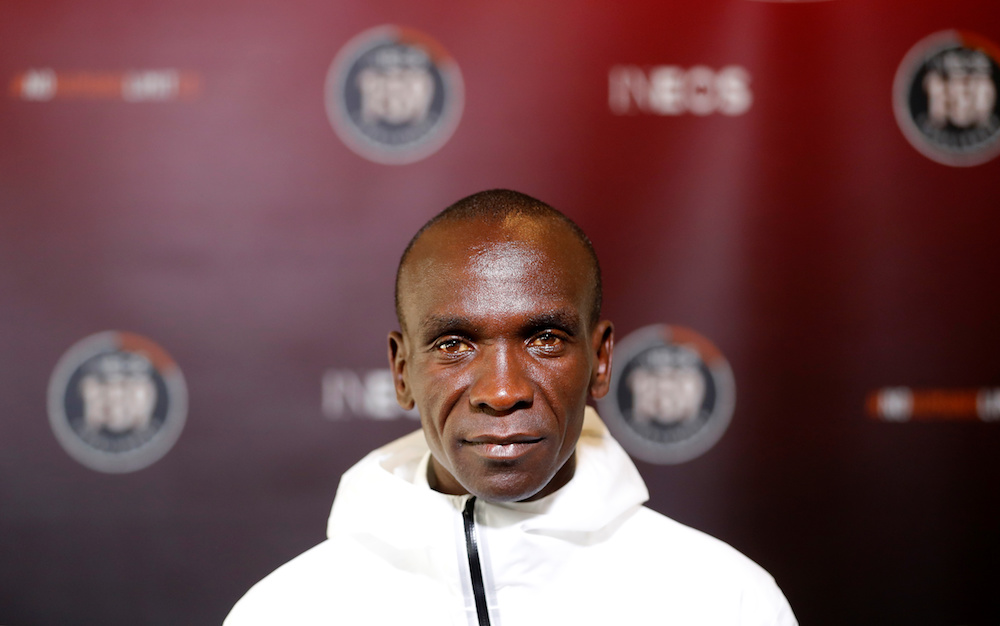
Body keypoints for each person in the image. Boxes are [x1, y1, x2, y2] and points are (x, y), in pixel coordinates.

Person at [224, 189, 797, 625]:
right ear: (403, 372)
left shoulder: (726, 602)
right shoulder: (286, 611)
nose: (502, 392)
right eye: (454, 345)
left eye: (544, 338)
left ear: (600, 361)